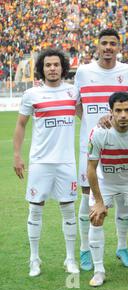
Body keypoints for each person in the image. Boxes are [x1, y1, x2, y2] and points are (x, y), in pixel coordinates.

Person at [13, 48, 79, 277]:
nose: (52, 68)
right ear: (42, 69)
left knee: (68, 210)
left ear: (63, 67)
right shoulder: (32, 94)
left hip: (66, 163)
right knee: (35, 209)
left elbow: (85, 117)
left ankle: (70, 259)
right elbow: (21, 125)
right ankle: (34, 259)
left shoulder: (73, 93)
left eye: (56, 65)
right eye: (48, 65)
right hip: (40, 163)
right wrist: (17, 155)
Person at [74, 29, 128, 271]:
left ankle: (122, 247)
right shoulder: (84, 72)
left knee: (122, 198)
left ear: (119, 47)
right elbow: (78, 106)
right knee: (87, 198)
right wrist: (92, 125)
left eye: (113, 43)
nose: (108, 47)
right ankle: (85, 250)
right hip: (89, 147)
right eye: (104, 43)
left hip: (121, 147)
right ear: (97, 46)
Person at [87, 92, 128, 286]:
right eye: (118, 111)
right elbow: (90, 168)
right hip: (105, 181)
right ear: (111, 112)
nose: (123, 115)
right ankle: (99, 271)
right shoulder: (99, 132)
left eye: (127, 110)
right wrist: (99, 201)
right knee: (96, 216)